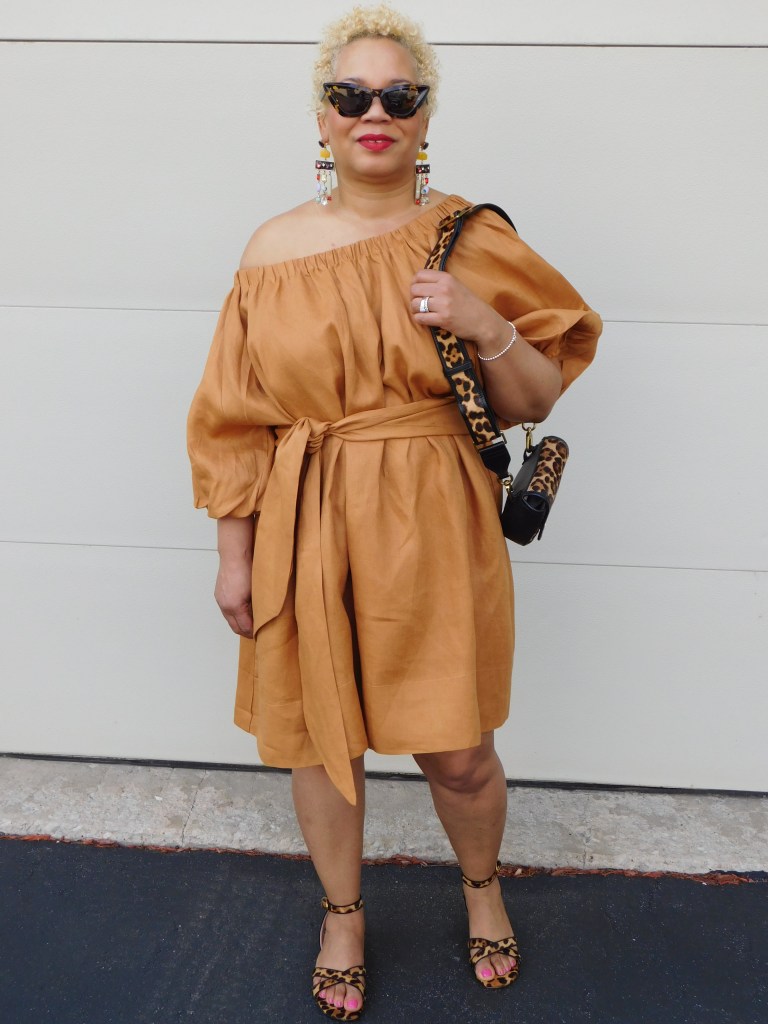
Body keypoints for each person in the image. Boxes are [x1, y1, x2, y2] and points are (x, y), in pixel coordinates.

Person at [187, 4, 601, 1019]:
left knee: (457, 747)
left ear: (424, 114)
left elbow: (539, 396)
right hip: (305, 515)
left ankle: (482, 887)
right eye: (351, 94)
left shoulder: (472, 237)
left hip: (433, 517)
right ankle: (343, 914)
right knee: (319, 740)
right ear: (322, 116)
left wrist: (484, 323)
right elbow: (233, 417)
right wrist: (234, 555)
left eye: (398, 95)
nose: (375, 112)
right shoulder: (270, 249)